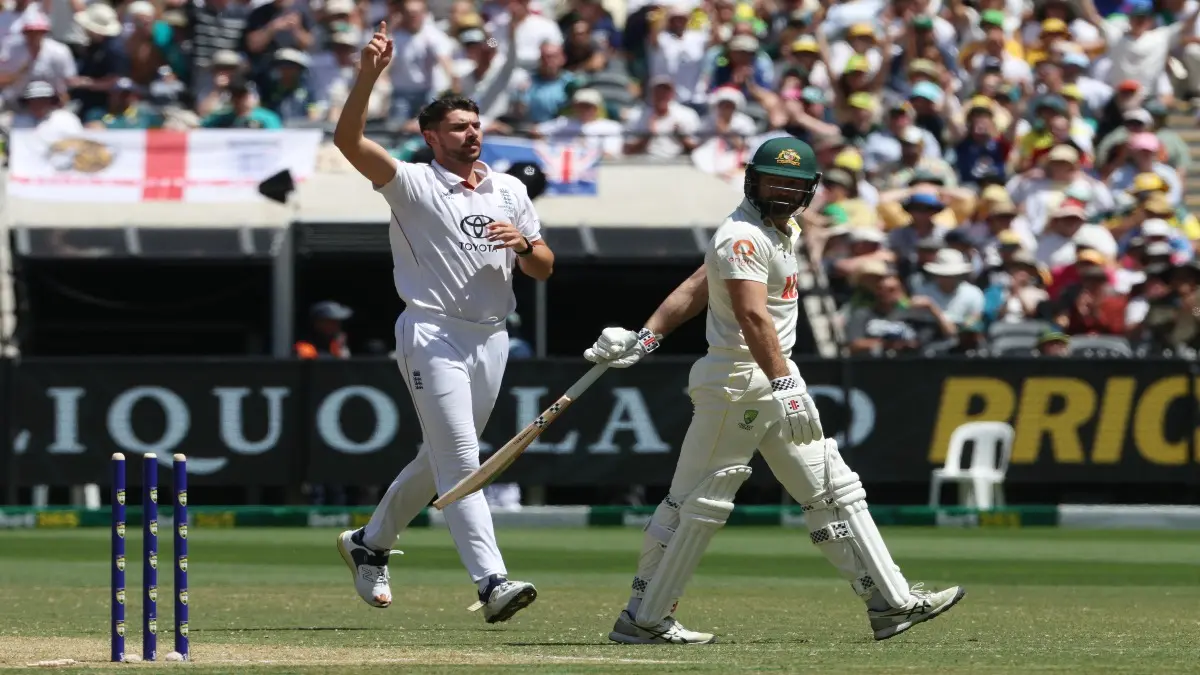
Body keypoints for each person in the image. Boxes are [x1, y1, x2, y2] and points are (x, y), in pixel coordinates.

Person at [582, 137, 964, 644]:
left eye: (794, 184)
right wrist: (784, 382)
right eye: (772, 181)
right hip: (739, 383)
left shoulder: (779, 228)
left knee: (833, 489)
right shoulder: (742, 235)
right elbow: (750, 314)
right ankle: (644, 618)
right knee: (695, 505)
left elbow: (699, 283)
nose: (782, 191)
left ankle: (890, 603)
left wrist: (648, 336)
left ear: (809, 191)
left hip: (769, 379)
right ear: (751, 180)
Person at [331, 22, 554, 624]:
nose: (472, 133)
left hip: (492, 337)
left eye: (476, 124)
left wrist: (526, 246)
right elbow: (348, 140)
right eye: (458, 127)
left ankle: (368, 543)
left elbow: (544, 268)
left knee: (441, 459)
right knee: (462, 457)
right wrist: (368, 76)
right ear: (431, 137)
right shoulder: (413, 182)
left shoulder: (509, 189)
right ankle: (492, 582)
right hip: (433, 333)